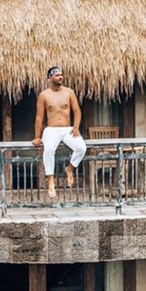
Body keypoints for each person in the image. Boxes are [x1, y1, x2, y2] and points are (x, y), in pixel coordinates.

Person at [32, 66, 87, 198]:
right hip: (51, 129)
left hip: (67, 129)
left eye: (61, 75)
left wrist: (76, 127)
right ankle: (50, 181)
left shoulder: (69, 92)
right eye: (57, 75)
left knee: (81, 147)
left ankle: (70, 168)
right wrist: (37, 137)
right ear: (49, 78)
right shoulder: (44, 95)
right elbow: (39, 118)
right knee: (49, 149)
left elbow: (77, 111)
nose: (60, 77)